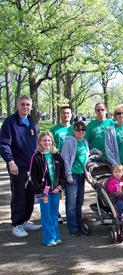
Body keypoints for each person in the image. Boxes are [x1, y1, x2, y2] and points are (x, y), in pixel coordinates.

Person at [0, 96, 40, 237]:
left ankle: (24, 221)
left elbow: (36, 144)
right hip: (17, 166)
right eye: (22, 104)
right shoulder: (10, 122)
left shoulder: (31, 122)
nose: (25, 107)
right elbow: (4, 144)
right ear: (17, 106)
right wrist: (11, 162)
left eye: (28, 105)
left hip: (31, 166)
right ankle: (16, 224)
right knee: (19, 196)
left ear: (31, 107)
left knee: (30, 195)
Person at [30, 132, 66, 246]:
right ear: (39, 142)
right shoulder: (36, 156)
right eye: (44, 140)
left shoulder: (56, 155)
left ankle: (56, 236)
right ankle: (49, 238)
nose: (47, 143)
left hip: (55, 190)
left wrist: (60, 186)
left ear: (52, 142)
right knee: (46, 214)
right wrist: (39, 190)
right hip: (43, 191)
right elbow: (33, 176)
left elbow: (62, 174)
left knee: (54, 213)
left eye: (49, 140)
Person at [61, 120, 91, 236]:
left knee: (79, 202)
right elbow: (66, 159)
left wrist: (94, 151)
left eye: (83, 130)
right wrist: (68, 175)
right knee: (71, 204)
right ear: (74, 130)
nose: (81, 132)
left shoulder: (84, 142)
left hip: (81, 175)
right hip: (72, 175)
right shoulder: (69, 142)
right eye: (78, 130)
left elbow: (85, 155)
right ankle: (73, 228)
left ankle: (78, 224)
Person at [50, 105, 72, 223]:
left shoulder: (74, 129)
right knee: (57, 188)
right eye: (64, 113)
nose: (66, 115)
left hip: (71, 164)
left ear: (71, 115)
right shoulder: (54, 129)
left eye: (68, 113)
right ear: (60, 114)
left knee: (70, 188)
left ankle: (70, 213)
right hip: (57, 163)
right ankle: (56, 213)